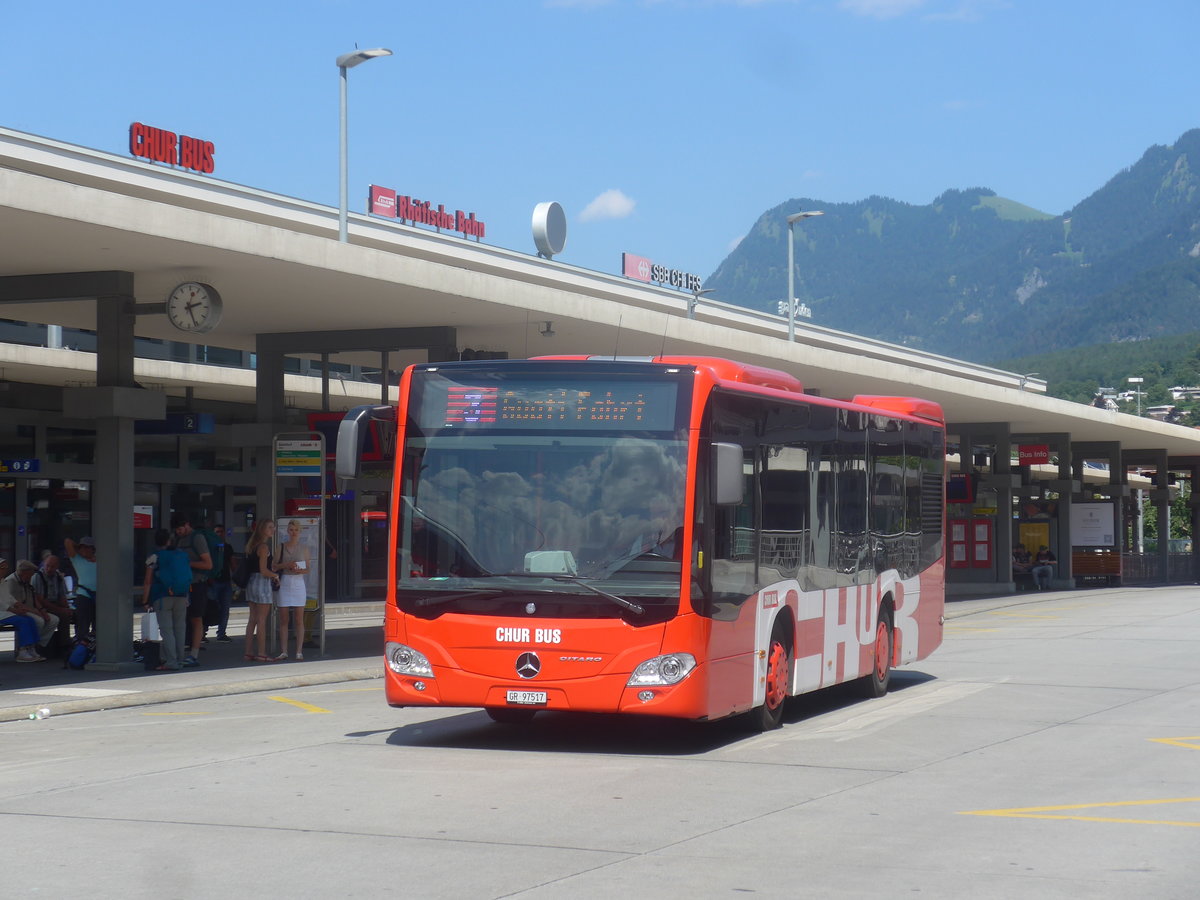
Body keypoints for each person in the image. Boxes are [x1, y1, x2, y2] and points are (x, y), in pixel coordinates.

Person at [142, 528, 189, 671]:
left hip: (162, 597)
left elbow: (148, 580)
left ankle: (171, 662)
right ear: (169, 541)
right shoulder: (181, 555)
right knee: (180, 629)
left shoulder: (154, 557)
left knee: (167, 630)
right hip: (181, 595)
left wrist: (145, 600)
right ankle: (180, 660)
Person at [171, 512, 212, 667]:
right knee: (181, 619)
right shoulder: (178, 540)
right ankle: (180, 652)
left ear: (187, 524)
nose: (178, 532)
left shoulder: (197, 538)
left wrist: (186, 563)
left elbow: (208, 564)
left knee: (196, 618)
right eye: (176, 530)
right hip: (182, 585)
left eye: (180, 529)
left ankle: (194, 654)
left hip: (196, 584)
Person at [242, 520, 280, 662]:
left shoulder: (252, 545)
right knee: (262, 620)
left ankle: (248, 652)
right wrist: (275, 575)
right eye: (270, 527)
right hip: (262, 584)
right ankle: (262, 653)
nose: (273, 529)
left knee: (252, 619)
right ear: (263, 529)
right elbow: (264, 571)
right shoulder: (264, 547)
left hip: (251, 582)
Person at [275, 519, 310, 661]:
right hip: (284, 582)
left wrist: (298, 568)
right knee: (283, 618)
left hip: (298, 582)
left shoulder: (304, 548)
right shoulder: (281, 547)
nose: (293, 532)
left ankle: (299, 651)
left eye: (296, 530)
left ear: (300, 532)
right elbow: (274, 566)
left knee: (299, 619)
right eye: (291, 530)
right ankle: (284, 651)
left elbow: (308, 569)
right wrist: (287, 565)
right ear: (287, 531)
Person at [1, 560, 48, 662]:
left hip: (6, 611)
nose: (4, 570)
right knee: (23, 621)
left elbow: (8, 597)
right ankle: (22, 651)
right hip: (2, 612)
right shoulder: (8, 581)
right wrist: (13, 610)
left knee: (29, 620)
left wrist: (17, 604)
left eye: (5, 568)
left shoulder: (2, 581)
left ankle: (31, 648)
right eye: (2, 568)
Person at [32, 555, 73, 656]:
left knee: (74, 614)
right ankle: (64, 646)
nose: (49, 569)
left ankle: (77, 643)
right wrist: (61, 610)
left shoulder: (58, 577)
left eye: (52, 566)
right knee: (63, 616)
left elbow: (62, 596)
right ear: (44, 564)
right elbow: (40, 599)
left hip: (55, 604)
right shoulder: (38, 576)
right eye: (47, 566)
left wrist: (67, 608)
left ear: (57, 567)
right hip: (41, 606)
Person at [63, 536, 98, 641]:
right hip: (84, 595)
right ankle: (81, 648)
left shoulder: (101, 559)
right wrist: (77, 547)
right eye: (82, 548)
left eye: (87, 547)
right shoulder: (77, 559)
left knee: (99, 626)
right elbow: (67, 540)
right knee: (82, 626)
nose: (84, 550)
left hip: (100, 596)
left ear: (93, 549)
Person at [207, 523, 234, 643]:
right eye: (216, 532)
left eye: (221, 531)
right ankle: (203, 633)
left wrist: (236, 579)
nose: (219, 534)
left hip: (226, 581)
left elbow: (232, 564)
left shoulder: (228, 547)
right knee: (209, 607)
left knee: (225, 608)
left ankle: (221, 633)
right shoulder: (209, 547)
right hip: (212, 581)